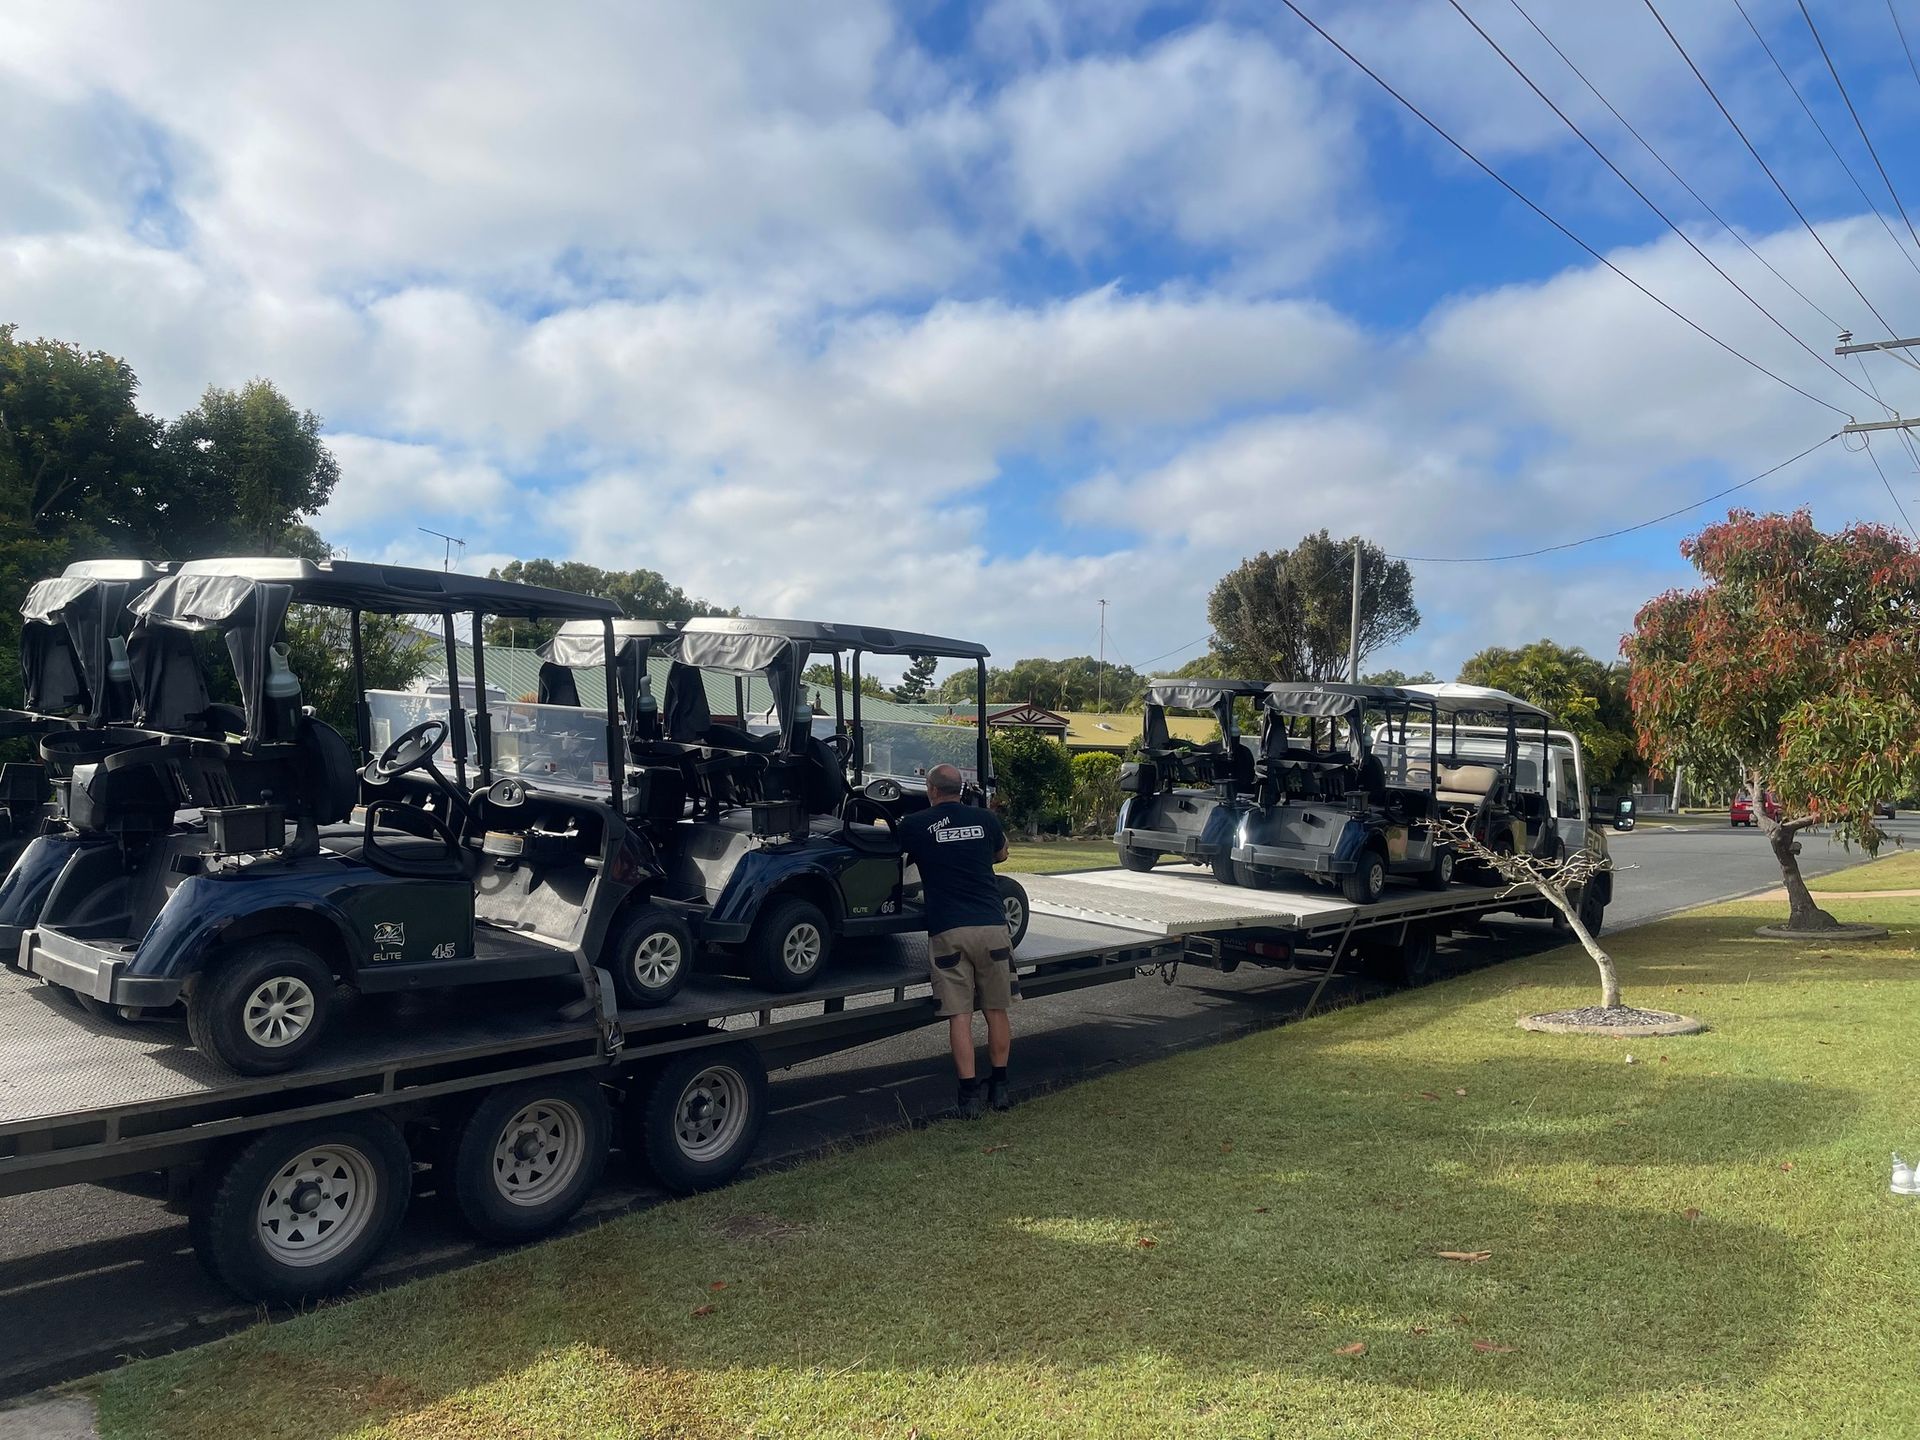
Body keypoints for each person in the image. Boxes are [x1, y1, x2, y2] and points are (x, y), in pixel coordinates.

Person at [899, 762, 1017, 1118]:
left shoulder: (916, 825)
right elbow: (1002, 854)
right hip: (993, 926)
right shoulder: (986, 820)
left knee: (960, 1016)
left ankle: (968, 1098)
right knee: (996, 1011)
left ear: (931, 790)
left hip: (949, 931)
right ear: (962, 789)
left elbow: (895, 858)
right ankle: (1000, 1088)